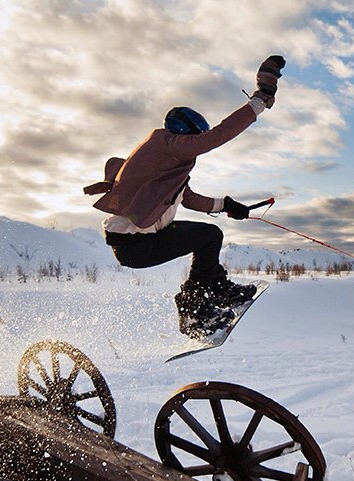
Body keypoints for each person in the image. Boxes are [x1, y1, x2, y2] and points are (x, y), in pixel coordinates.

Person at [84, 55, 286, 339]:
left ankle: (211, 294)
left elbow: (188, 197)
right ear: (185, 134)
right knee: (209, 237)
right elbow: (215, 137)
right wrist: (260, 100)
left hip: (140, 241)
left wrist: (227, 206)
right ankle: (197, 310)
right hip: (135, 245)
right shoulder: (165, 143)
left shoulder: (165, 163)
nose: (194, 147)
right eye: (194, 139)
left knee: (209, 235)